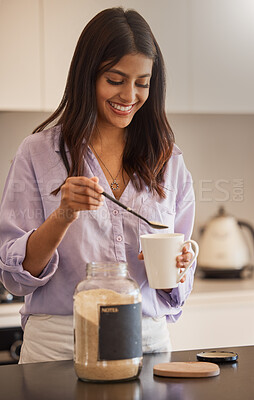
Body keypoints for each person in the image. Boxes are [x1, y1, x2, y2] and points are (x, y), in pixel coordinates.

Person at [0, 7, 195, 363]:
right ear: (87, 75)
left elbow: (172, 288)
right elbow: (15, 278)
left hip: (146, 343)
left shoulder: (169, 160)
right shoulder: (38, 153)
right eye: (115, 79)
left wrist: (176, 268)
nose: (129, 95)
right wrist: (63, 214)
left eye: (142, 82)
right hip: (60, 348)